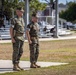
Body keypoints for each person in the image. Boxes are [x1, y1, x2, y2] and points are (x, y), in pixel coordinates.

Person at [10, 7, 25, 71]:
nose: (22, 13)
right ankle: (14, 65)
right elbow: (11, 29)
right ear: (17, 12)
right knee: (16, 52)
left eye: (22, 11)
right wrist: (12, 38)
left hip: (21, 37)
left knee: (20, 51)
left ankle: (17, 63)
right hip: (16, 37)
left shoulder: (22, 19)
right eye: (21, 11)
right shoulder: (14, 19)